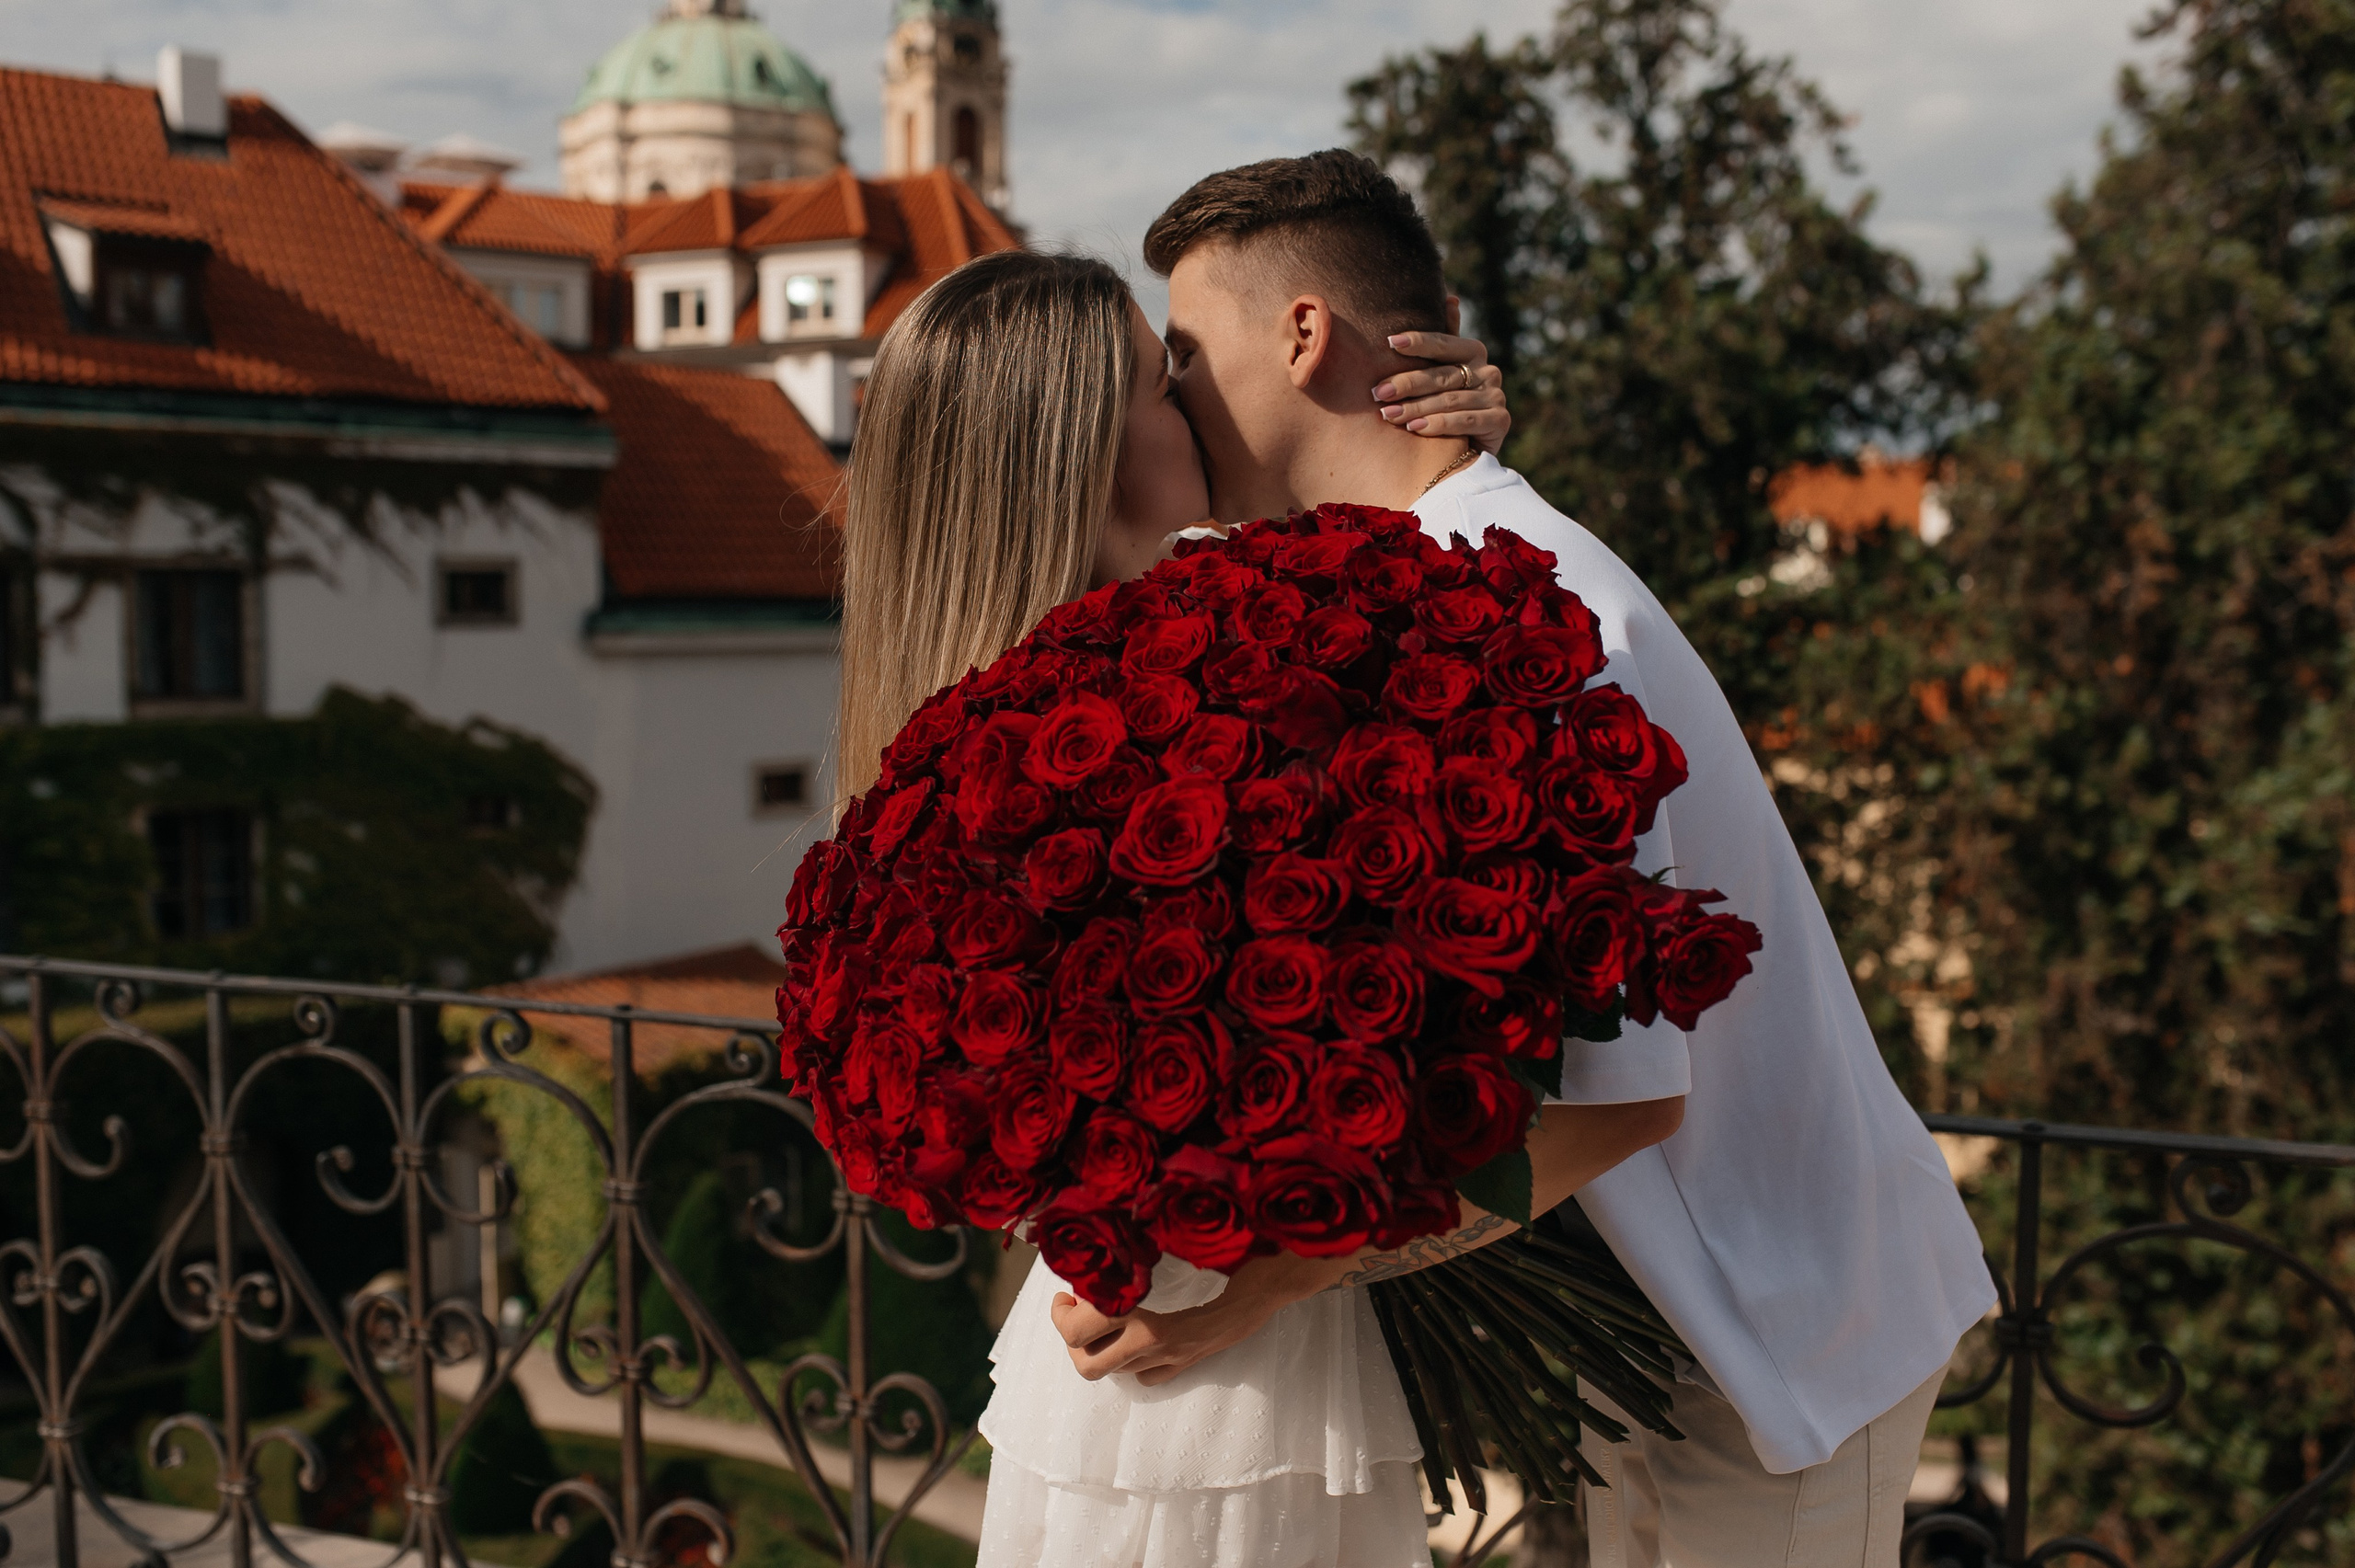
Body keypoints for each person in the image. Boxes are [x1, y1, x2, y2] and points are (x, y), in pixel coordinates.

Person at [1039, 148, 2000, 1566]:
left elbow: (1625, 1102)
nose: (1171, 391)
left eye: (1184, 349)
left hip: (1784, 1322)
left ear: (1303, 335)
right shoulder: (1414, 577)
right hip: (1652, 1318)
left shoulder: (1533, 611)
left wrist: (1261, 1290)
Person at [836, 250, 1677, 1567]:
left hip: (1147, 1354)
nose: (1198, 391)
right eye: (1159, 375)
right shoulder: (1214, 683)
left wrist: (1447, 463)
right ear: (1090, 455)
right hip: (1211, 1375)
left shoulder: (976, 737)